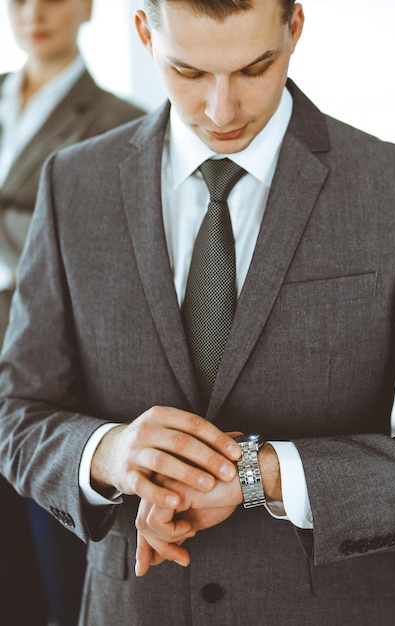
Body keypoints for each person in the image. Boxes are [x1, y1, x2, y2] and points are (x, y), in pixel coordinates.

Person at [0, 0, 395, 624]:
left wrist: (266, 474)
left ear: (295, 28)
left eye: (255, 68)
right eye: (189, 72)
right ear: (145, 34)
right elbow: (17, 408)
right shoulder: (73, 184)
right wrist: (107, 453)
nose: (222, 110)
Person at [0, 1, 144, 624]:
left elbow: (98, 264)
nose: (33, 13)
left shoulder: (122, 124)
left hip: (50, 372)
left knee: (55, 569)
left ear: (85, 6)